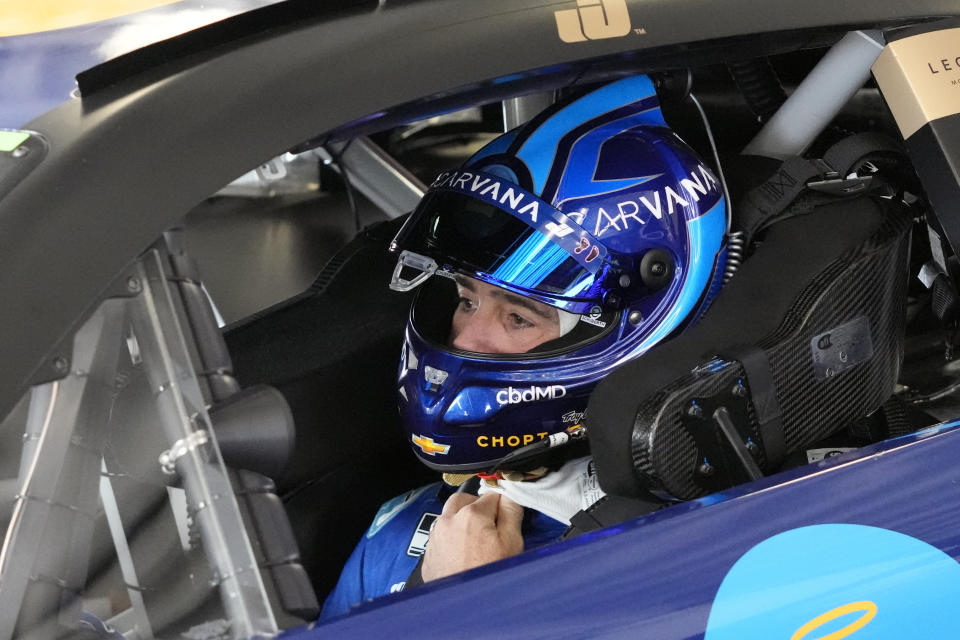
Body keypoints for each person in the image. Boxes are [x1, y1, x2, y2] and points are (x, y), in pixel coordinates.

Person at [319, 74, 729, 620]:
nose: (465, 339)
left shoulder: (707, 549)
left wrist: (464, 609)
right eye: (467, 300)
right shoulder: (396, 536)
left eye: (518, 317)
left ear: (624, 331)